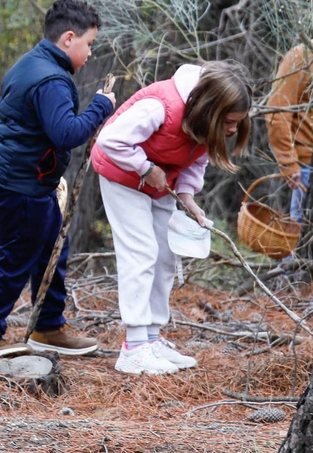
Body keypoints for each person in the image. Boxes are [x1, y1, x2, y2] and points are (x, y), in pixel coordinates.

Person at [0, 0, 117, 360]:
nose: (91, 53)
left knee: (51, 250)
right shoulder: (51, 79)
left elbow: (3, 121)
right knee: (16, 259)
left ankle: (49, 328)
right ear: (68, 39)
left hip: (25, 181)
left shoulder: (29, 64)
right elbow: (66, 133)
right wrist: (100, 106)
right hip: (20, 186)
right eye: (89, 43)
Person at [90, 61, 252, 376]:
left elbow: (195, 160)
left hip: (159, 184)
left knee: (165, 256)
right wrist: (146, 168)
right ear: (212, 109)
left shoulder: (202, 122)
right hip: (122, 177)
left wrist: (189, 199)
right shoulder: (159, 107)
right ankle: (133, 348)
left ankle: (151, 338)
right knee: (141, 253)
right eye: (230, 122)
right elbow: (109, 140)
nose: (232, 130)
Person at [266, 36, 313, 222]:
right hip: (307, 170)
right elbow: (277, 110)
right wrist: (288, 162)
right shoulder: (302, 55)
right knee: (298, 241)